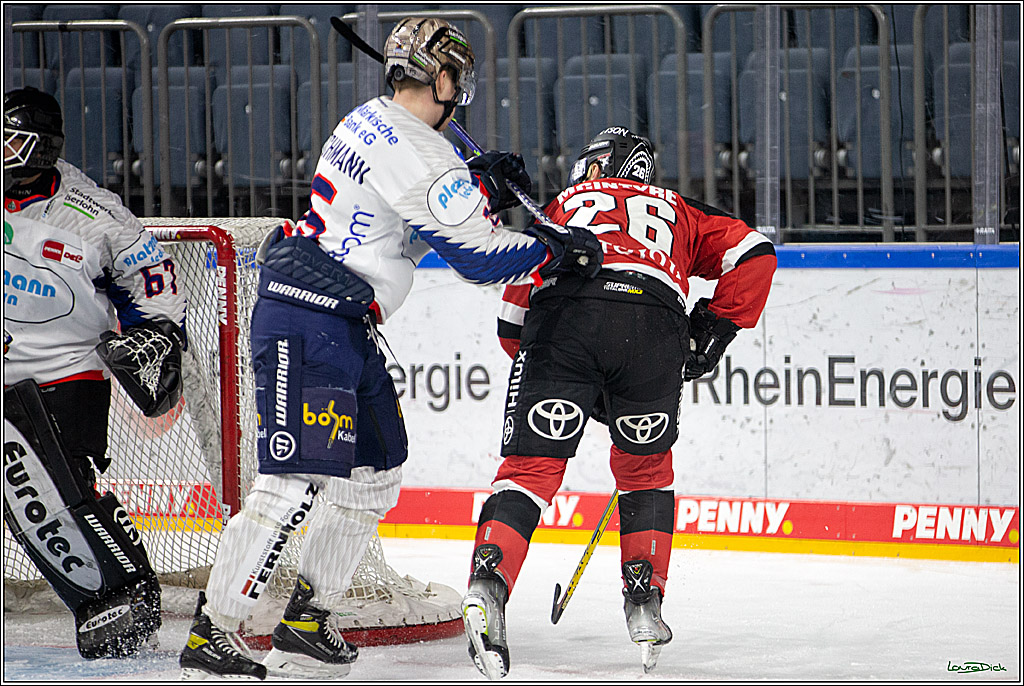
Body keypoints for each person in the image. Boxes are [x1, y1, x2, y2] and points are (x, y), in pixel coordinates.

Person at [177, 16, 602, 680]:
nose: (461, 92)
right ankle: (214, 631)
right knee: (290, 484)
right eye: (457, 79)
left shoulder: (367, 118)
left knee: (374, 477)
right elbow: (479, 259)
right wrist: (554, 250)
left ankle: (307, 622)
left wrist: (478, 189)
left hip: (341, 325)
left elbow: (391, 224)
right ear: (443, 78)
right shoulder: (425, 154)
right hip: (307, 324)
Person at [461, 126, 777, 679]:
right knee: (646, 472)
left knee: (529, 471)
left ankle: (489, 584)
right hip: (653, 328)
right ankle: (645, 601)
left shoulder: (562, 205)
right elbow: (756, 252)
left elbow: (513, 319)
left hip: (567, 322)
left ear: (601, 164)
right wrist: (714, 326)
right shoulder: (679, 209)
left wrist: (552, 365)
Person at [3, 87, 188, 659]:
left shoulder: (99, 216)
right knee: (27, 506)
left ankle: (124, 594)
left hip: (66, 373)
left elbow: (155, 290)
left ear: (44, 147)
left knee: (54, 496)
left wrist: (155, 338)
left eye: (13, 140)